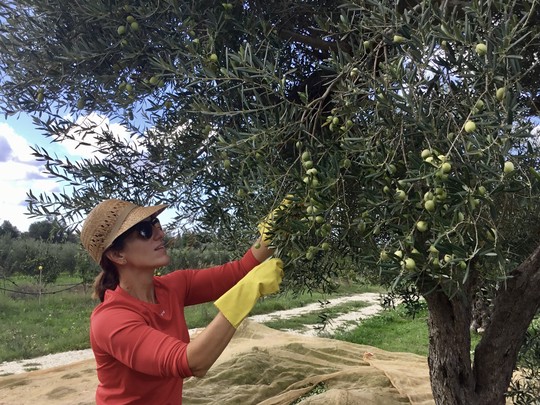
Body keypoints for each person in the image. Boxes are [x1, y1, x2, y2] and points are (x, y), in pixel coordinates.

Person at [80, 198, 287, 404]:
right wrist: (245, 294)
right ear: (117, 254)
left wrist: (274, 231)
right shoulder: (110, 320)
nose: (160, 234)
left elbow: (241, 269)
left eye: (156, 224)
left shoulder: (173, 287)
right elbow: (193, 362)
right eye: (145, 230)